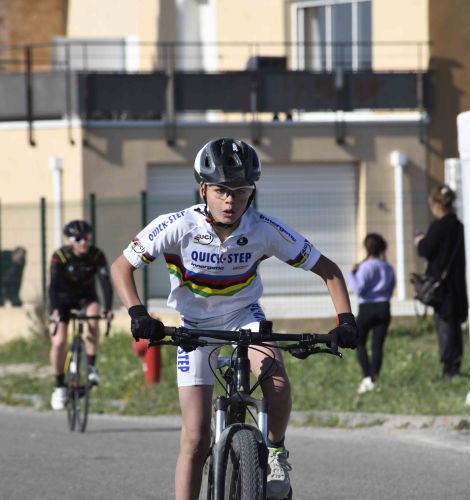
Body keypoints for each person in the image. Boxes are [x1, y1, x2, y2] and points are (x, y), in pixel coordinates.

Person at [111, 137, 359, 500]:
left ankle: (275, 452)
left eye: (241, 192)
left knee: (276, 380)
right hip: (194, 326)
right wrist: (137, 312)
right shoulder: (176, 225)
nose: (231, 201)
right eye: (221, 191)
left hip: (244, 315)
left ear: (251, 192)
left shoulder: (263, 228)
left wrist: (346, 320)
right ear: (203, 190)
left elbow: (330, 271)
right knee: (195, 439)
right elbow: (121, 267)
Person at [48, 220, 113, 410]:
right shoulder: (60, 256)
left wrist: (108, 309)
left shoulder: (96, 255)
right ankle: (59, 385)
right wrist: (54, 310)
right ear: (70, 241)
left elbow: (105, 282)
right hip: (62, 300)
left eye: (86, 237)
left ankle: (91, 366)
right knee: (59, 341)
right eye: (78, 239)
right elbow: (53, 285)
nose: (83, 242)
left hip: (86, 298)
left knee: (93, 316)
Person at [414, 185, 468, 379]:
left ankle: (449, 369)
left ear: (437, 205)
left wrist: (420, 241)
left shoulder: (438, 227)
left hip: (442, 287)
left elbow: (426, 250)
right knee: (455, 327)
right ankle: (456, 365)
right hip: (458, 283)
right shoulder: (460, 227)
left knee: (445, 326)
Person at [347, 234, 395, 394]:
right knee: (377, 346)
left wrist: (351, 274)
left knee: (359, 342)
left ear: (366, 248)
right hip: (384, 307)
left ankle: (367, 376)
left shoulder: (365, 267)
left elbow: (358, 289)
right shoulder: (387, 267)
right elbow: (391, 287)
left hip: (367, 307)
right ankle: (374, 378)